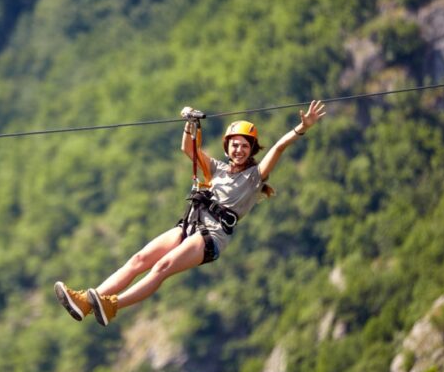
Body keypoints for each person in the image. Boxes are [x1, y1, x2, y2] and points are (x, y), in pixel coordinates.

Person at [55, 100, 326, 326]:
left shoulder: (255, 177)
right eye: (235, 144)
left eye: (245, 145)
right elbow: (189, 148)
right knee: (139, 259)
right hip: (190, 225)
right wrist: (191, 123)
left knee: (162, 267)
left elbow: (278, 148)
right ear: (227, 147)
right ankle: (86, 303)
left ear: (252, 149)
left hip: (212, 235)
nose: (239, 149)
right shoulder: (217, 168)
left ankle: (112, 305)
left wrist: (302, 127)